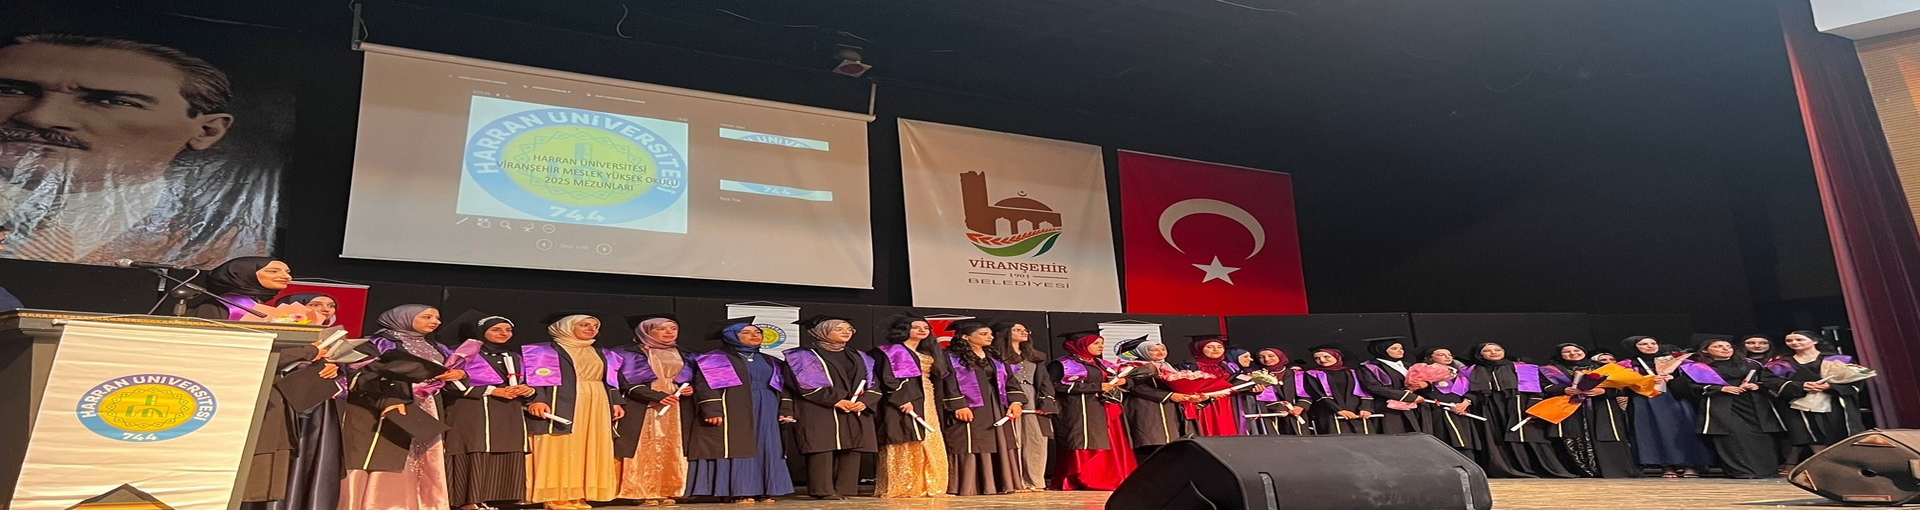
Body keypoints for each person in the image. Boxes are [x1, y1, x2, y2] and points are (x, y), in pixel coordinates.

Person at [0, 34, 271, 267]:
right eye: (12, 90)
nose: (40, 118)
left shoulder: (224, 238)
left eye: (112, 101)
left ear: (207, 130)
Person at [338, 304, 462, 509]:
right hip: (383, 403)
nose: (435, 322)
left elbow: (451, 376)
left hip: (428, 404)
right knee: (385, 450)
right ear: (404, 318)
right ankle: (377, 503)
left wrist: (458, 375)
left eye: (437, 318)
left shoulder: (438, 347)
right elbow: (359, 375)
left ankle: (424, 502)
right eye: (427, 317)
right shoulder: (376, 343)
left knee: (425, 453)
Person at [684, 317, 796, 504]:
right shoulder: (717, 358)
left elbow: (782, 388)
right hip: (734, 405)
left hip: (767, 407)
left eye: (757, 332)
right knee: (739, 445)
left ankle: (767, 489)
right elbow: (707, 387)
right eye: (746, 332)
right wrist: (712, 410)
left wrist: (786, 408)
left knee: (766, 446)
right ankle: (740, 491)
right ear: (731, 336)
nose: (755, 335)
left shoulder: (771, 360)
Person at [523, 311, 627, 509]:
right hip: (562, 401)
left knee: (588, 446)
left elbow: (610, 380)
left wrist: (615, 402)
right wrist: (537, 399)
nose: (591, 329)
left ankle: (578, 494)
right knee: (560, 445)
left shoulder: (601, 352)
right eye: (584, 325)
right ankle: (556, 495)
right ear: (567, 326)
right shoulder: (544, 351)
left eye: (595, 326)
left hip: (596, 402)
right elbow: (534, 378)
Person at [441, 311, 533, 510]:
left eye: (508, 330)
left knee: (502, 449)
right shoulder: (463, 353)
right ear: (482, 331)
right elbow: (449, 384)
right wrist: (492, 391)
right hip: (472, 408)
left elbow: (525, 381)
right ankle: (468, 500)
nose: (504, 333)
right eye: (496, 329)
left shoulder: (513, 356)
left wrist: (527, 390)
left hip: (507, 409)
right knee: (475, 448)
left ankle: (492, 498)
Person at [783, 315, 881, 500]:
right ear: (821, 332)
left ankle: (845, 488)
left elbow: (874, 383)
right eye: (839, 329)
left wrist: (866, 400)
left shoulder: (860, 356)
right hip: (818, 407)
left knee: (852, 446)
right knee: (822, 446)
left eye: (849, 329)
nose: (846, 332)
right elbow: (804, 383)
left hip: (855, 407)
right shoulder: (803, 356)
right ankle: (823, 490)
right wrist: (837, 400)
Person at [239, 331, 339, 508]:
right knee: (244, 484)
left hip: (280, 410)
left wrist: (325, 366)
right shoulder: (250, 330)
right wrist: (307, 352)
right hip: (251, 413)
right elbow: (257, 356)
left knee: (262, 486)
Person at [1673, 338, 1786, 479]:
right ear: (1705, 350)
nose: (1725, 349)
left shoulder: (1750, 364)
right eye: (1719, 346)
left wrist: (1757, 385)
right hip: (1722, 404)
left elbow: (1769, 381)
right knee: (1733, 437)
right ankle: (1742, 471)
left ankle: (1766, 471)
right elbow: (1690, 388)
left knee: (1761, 437)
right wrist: (1720, 389)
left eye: (1728, 346)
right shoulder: (1697, 368)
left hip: (1752, 403)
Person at [937, 320, 1025, 496]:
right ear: (966, 337)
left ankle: (1000, 483)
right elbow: (948, 383)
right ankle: (970, 485)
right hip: (970, 405)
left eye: (990, 334)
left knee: (999, 440)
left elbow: (1010, 380)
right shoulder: (951, 357)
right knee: (972, 440)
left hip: (996, 404)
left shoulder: (995, 357)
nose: (990, 337)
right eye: (983, 334)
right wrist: (958, 405)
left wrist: (1016, 402)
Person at [612, 313, 692, 505]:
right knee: (644, 445)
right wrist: (656, 396)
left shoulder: (687, 354)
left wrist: (690, 388)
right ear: (645, 331)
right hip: (643, 404)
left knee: (672, 446)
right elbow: (627, 382)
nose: (669, 332)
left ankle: (668, 488)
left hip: (676, 406)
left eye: (673, 328)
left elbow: (693, 378)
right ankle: (642, 490)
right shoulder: (628, 353)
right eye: (661, 329)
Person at [1464, 342, 1575, 478]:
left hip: (1519, 405)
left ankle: (1536, 468)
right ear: (1479, 354)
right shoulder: (1472, 370)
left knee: (1529, 436)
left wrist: (1534, 406)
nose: (1493, 352)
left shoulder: (1522, 367)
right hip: (1490, 408)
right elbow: (1470, 391)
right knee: (1496, 438)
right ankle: (1505, 468)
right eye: (1487, 351)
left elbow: (1535, 390)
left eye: (1498, 349)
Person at [1047, 330, 1138, 491]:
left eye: (1102, 343)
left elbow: (1128, 382)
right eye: (1096, 343)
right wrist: (1097, 386)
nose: (1101, 346)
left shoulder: (1103, 364)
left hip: (1106, 409)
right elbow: (1054, 386)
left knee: (1109, 443)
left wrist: (1124, 381)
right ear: (1081, 344)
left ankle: (1109, 477)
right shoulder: (1063, 364)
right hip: (1079, 409)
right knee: (1083, 441)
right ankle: (1081, 478)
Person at [871, 314, 949, 498]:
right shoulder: (892, 351)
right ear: (904, 329)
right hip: (903, 399)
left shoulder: (929, 351)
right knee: (906, 436)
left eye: (926, 327)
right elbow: (887, 378)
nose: (922, 330)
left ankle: (930, 484)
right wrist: (902, 399)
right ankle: (905, 484)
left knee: (929, 437)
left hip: (927, 396)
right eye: (916, 327)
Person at [1617, 335, 1715, 478]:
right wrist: (1645, 380)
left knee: (1683, 429)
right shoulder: (1627, 365)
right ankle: (1666, 466)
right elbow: (1622, 385)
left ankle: (1690, 464)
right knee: (1654, 431)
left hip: (1674, 398)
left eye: (1653, 343)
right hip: (1646, 401)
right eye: (1643, 344)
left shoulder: (1675, 360)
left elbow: (1695, 379)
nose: (1650, 346)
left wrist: (1674, 378)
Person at [1767, 330, 1867, 470]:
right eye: (1789, 340)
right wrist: (1802, 386)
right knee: (1811, 433)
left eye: (1799, 339)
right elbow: (1771, 381)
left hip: (1834, 401)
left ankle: (1847, 466)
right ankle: (1825, 465)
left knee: (1838, 430)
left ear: (1814, 341)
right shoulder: (1782, 363)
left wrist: (1831, 386)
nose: (1794, 343)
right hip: (1801, 403)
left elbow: (1857, 379)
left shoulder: (1837, 359)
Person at [1539, 344, 1637, 478]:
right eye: (1567, 352)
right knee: (1572, 436)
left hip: (1601, 406)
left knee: (1606, 434)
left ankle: (1612, 469)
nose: (1573, 353)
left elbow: (1624, 388)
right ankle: (1581, 470)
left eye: (1576, 350)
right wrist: (1563, 389)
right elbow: (1545, 387)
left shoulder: (1602, 367)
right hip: (1570, 408)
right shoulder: (1551, 370)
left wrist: (1603, 391)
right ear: (1560, 354)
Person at [991, 320, 1052, 492]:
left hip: (1033, 397)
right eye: (1018, 330)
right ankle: (1016, 481)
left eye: (1025, 330)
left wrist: (1047, 400)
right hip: (1008, 397)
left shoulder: (1036, 356)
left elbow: (1045, 380)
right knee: (1014, 438)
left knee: (1036, 438)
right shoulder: (996, 356)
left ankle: (1035, 481)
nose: (1024, 332)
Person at [1117, 337, 1197, 459]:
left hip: (1169, 408)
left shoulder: (1168, 366)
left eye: (1163, 349)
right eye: (1154, 350)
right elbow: (1135, 387)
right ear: (1142, 352)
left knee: (1172, 446)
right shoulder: (1132, 367)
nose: (1160, 352)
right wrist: (1169, 395)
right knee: (1152, 443)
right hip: (1145, 408)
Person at [1414, 347, 1479, 455]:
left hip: (1462, 411)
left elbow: (1474, 392)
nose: (1447, 357)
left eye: (1449, 354)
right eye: (1441, 355)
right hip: (1439, 411)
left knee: (1467, 443)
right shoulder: (1421, 372)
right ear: (1429, 358)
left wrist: (1466, 403)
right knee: (1447, 444)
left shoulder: (1459, 373)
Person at [1357, 337, 1426, 435]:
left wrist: (1425, 384)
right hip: (1387, 408)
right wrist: (1407, 396)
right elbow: (1373, 387)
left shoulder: (1408, 366)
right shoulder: (1370, 367)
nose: (1400, 351)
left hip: (1412, 407)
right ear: (1381, 350)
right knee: (1395, 435)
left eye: (1401, 348)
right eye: (1394, 349)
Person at [1176, 335, 1241, 436]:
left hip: (1228, 405)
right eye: (1210, 347)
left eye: (1219, 347)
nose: (1216, 350)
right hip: (1203, 405)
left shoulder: (1230, 366)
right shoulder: (1187, 367)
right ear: (1198, 348)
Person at [187, 256, 289, 320]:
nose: (287, 277)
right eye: (273, 271)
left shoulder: (258, 302)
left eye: (287, 272)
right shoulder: (213, 308)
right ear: (245, 274)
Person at [1251, 348, 1308, 436]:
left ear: (1280, 356)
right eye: (1261, 357)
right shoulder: (1255, 375)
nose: (1266, 359)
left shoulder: (1296, 374)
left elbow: (1307, 393)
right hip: (1270, 415)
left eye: (1271, 356)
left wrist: (1301, 406)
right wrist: (1256, 392)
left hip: (1295, 413)